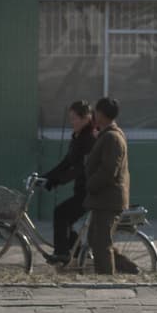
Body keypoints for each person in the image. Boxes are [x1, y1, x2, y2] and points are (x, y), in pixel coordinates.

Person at [41, 100, 96, 265]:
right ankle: (79, 254)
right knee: (65, 221)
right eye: (70, 118)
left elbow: (79, 169)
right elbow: (66, 162)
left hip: (90, 192)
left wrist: (58, 180)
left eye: (74, 118)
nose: (72, 122)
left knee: (61, 213)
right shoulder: (78, 137)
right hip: (81, 190)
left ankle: (62, 254)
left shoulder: (89, 138)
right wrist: (47, 177)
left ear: (86, 118)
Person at [84, 97, 130, 275]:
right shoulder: (107, 134)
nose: (94, 115)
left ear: (101, 114)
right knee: (95, 239)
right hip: (102, 199)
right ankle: (128, 268)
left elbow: (109, 170)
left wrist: (91, 184)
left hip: (108, 199)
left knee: (102, 242)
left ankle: (106, 280)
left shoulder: (112, 137)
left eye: (96, 112)